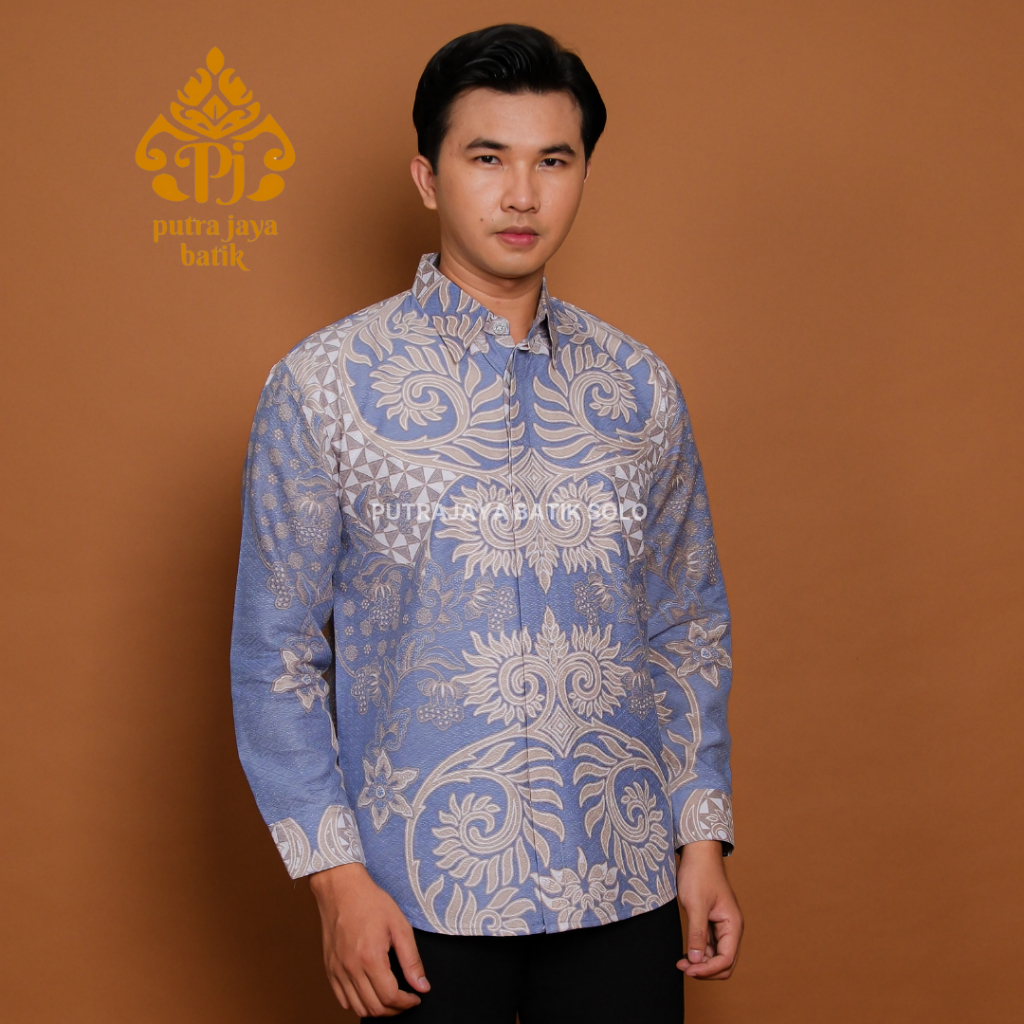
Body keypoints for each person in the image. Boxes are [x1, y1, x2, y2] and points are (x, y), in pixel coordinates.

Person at [230, 23, 742, 1022]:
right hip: (416, 895)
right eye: (487, 158)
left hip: (625, 882)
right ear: (428, 179)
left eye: (553, 160)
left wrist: (702, 838)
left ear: (583, 172)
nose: (521, 195)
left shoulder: (639, 388)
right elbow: (275, 656)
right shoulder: (323, 386)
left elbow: (687, 627)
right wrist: (336, 881)